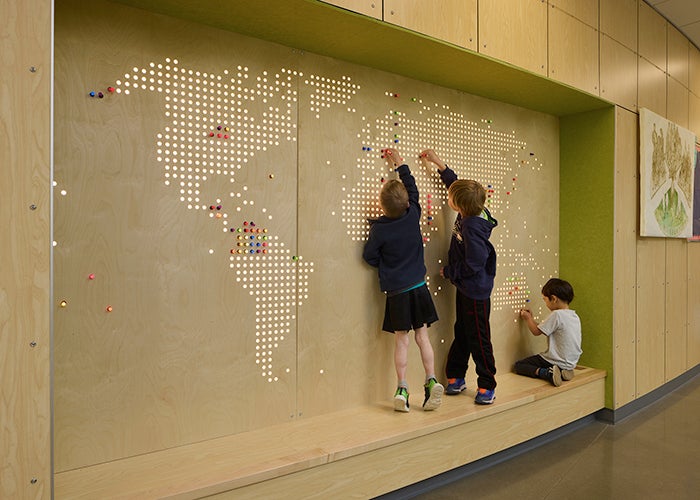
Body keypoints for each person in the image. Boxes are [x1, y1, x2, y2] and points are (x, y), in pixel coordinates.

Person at [363, 148, 444, 413]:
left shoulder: (380, 230)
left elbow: (369, 256)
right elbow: (413, 188)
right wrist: (400, 164)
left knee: (402, 340)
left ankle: (402, 388)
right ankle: (431, 381)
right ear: (407, 203)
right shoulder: (413, 215)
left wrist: (386, 264)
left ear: (382, 206)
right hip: (419, 288)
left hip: (397, 293)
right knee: (423, 336)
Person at [420, 149, 498, 405]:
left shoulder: (472, 225)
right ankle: (456, 374)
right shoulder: (471, 208)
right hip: (466, 287)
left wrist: (450, 272)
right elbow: (456, 185)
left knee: (478, 337)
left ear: (459, 205)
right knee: (462, 330)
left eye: (451, 197)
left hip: (475, 289)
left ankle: (487, 384)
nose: (449, 197)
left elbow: (475, 263)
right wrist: (439, 164)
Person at [516, 278, 582, 386]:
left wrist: (528, 319)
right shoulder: (573, 316)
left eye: (545, 300)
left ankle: (547, 373)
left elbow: (536, 331)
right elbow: (543, 328)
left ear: (554, 299)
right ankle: (563, 371)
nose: (545, 303)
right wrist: (532, 319)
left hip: (556, 360)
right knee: (539, 360)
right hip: (570, 362)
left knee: (520, 365)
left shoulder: (557, 315)